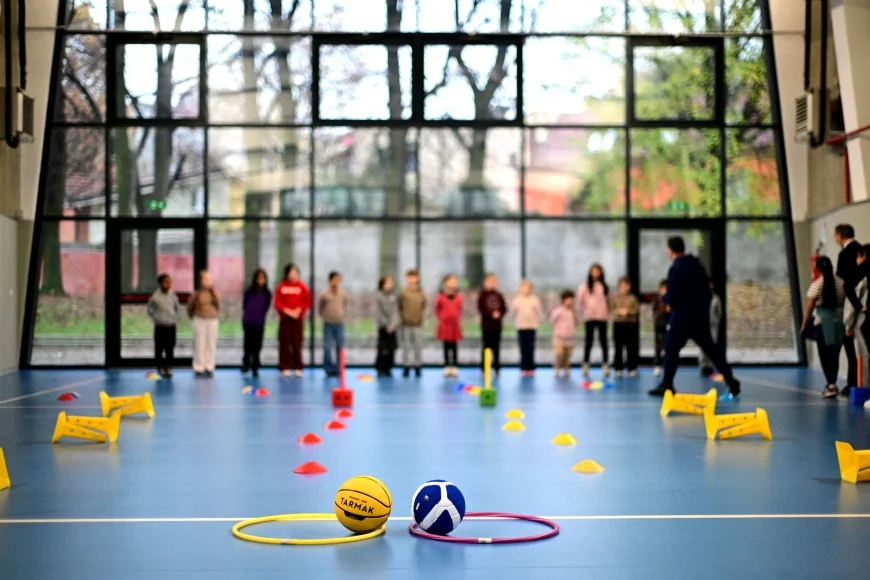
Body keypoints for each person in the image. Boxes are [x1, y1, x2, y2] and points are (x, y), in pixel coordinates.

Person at [648, 237, 740, 398]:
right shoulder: (698, 266)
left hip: (682, 316)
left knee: (671, 349)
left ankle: (667, 384)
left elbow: (674, 294)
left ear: (670, 250)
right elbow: (707, 291)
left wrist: (667, 300)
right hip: (700, 316)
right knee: (711, 349)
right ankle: (731, 380)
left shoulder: (676, 268)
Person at [801, 256, 846, 398]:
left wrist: (804, 325)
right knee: (834, 356)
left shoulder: (817, 284)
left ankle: (830, 384)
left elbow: (809, 308)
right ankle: (833, 383)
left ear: (818, 269)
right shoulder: (841, 283)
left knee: (825, 356)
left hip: (822, 326)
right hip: (839, 324)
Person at [834, 224, 861, 395]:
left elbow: (841, 280)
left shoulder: (844, 254)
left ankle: (853, 383)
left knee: (851, 347)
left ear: (839, 235)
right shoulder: (860, 249)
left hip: (851, 304)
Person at [274, 263, 311, 377]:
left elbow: (307, 301)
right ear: (287, 274)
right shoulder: (281, 286)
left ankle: (297, 367)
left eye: (295, 272)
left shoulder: (302, 286)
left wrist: (298, 310)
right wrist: (287, 311)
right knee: (284, 343)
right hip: (285, 319)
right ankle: (284, 366)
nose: (293, 275)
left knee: (297, 343)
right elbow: (277, 302)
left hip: (297, 320)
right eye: (291, 272)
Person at [577, 264, 610, 377]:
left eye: (598, 271)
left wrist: (607, 313)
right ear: (590, 273)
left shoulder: (604, 286)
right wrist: (583, 312)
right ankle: (586, 364)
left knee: (604, 342)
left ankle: (606, 364)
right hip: (589, 317)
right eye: (594, 271)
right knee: (588, 342)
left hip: (602, 317)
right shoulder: (584, 286)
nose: (596, 273)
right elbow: (580, 301)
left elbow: (608, 301)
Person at [187, 270, 220, 378]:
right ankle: (199, 367)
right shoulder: (196, 294)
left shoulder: (214, 293)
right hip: (199, 320)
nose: (208, 281)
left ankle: (209, 366)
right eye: (205, 279)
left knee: (210, 344)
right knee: (199, 344)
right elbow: (190, 307)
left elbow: (218, 305)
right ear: (200, 280)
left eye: (210, 279)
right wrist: (194, 317)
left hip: (212, 320)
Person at [147, 273, 179, 378]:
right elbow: (150, 310)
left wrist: (173, 318)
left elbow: (176, 307)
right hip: (160, 326)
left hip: (171, 326)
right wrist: (156, 318)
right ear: (160, 283)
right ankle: (159, 366)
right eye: (166, 282)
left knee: (170, 348)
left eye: (170, 282)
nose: (168, 284)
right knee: (159, 348)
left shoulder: (173, 295)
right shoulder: (155, 296)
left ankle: (168, 367)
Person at [241, 268, 271, 378]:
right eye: (259, 278)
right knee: (247, 345)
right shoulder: (249, 292)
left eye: (263, 278)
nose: (261, 280)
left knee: (257, 346)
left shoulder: (267, 293)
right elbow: (245, 304)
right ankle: (245, 365)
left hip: (259, 322)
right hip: (248, 321)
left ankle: (255, 367)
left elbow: (266, 307)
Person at [845, 247, 869, 385]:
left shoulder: (861, 278)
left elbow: (851, 303)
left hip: (863, 319)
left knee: (864, 356)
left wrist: (848, 324)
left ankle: (866, 388)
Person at [318, 271, 347, 378]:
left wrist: (342, 315)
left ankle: (339, 368)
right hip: (328, 324)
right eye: (335, 279)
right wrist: (325, 316)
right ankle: (328, 368)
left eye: (338, 280)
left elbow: (344, 305)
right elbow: (321, 308)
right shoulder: (324, 294)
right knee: (327, 346)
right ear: (330, 281)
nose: (337, 282)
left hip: (339, 323)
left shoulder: (343, 294)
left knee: (340, 346)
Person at [477, 273, 507, 377]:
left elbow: (504, 308)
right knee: (486, 347)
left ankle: (497, 368)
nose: (492, 283)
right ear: (485, 282)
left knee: (496, 347)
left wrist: (499, 313)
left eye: (494, 281)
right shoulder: (482, 295)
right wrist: (491, 314)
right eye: (490, 281)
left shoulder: (499, 295)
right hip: (486, 326)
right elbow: (481, 308)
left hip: (497, 326)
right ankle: (485, 368)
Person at [512, 280, 543, 376]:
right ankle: (523, 367)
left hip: (531, 327)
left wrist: (536, 321)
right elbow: (514, 312)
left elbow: (538, 312)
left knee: (530, 348)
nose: (526, 290)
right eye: (524, 288)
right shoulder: (517, 300)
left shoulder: (534, 300)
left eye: (528, 288)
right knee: (523, 348)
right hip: (521, 327)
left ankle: (531, 367)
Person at [399, 269, 426, 378]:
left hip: (417, 323)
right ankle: (406, 367)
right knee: (406, 347)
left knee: (418, 346)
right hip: (406, 323)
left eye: (414, 277)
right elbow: (399, 306)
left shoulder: (421, 292)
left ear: (417, 278)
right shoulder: (403, 292)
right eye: (410, 277)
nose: (412, 279)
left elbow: (424, 305)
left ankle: (418, 366)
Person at [610, 276, 639, 377]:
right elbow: (612, 309)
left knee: (631, 347)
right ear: (619, 287)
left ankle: (632, 368)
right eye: (622, 286)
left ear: (629, 287)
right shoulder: (615, 298)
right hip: (618, 324)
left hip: (630, 324)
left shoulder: (633, 298)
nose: (624, 288)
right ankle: (618, 368)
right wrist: (619, 312)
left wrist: (628, 312)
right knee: (618, 347)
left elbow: (636, 310)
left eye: (626, 286)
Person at [435, 274, 463, 377]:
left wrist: (456, 318)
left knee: (454, 346)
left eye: (454, 281)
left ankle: (454, 366)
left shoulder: (458, 295)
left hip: (454, 324)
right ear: (445, 283)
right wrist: (442, 318)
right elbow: (437, 309)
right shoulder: (441, 295)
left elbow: (459, 308)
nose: (453, 283)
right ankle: (447, 366)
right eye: (450, 281)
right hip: (445, 324)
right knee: (446, 346)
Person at [375, 275, 400, 376]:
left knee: (392, 348)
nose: (390, 285)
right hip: (383, 327)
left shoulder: (394, 296)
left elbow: (396, 312)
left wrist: (392, 325)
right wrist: (386, 325)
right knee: (382, 348)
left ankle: (389, 367)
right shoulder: (379, 297)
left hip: (392, 328)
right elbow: (379, 312)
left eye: (391, 283)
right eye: (388, 283)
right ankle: (380, 368)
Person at [550, 290, 578, 377]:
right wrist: (558, 330)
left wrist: (575, 315)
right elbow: (552, 321)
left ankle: (566, 369)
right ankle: (556, 369)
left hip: (570, 337)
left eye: (571, 299)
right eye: (568, 299)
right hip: (559, 337)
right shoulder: (558, 311)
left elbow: (577, 323)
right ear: (563, 300)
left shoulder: (573, 312)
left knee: (567, 356)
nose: (570, 301)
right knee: (559, 354)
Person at [699, 277, 723, 377]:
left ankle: (710, 365)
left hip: (713, 326)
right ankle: (703, 366)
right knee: (702, 346)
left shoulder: (715, 299)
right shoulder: (700, 297)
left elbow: (719, 312)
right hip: (702, 324)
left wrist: (716, 321)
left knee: (712, 345)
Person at [652, 280, 669, 377]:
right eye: (662, 289)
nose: (664, 291)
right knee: (658, 348)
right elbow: (654, 312)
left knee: (668, 347)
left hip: (668, 326)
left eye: (666, 289)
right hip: (658, 327)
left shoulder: (671, 300)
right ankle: (657, 366)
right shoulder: (657, 300)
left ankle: (667, 366)